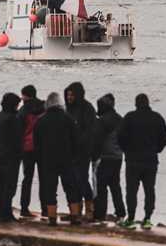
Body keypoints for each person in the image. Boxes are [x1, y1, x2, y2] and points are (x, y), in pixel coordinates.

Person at [117, 93, 166, 230]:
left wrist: (126, 150)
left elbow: (120, 136)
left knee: (131, 190)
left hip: (133, 160)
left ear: (136, 104)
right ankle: (147, 218)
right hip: (151, 160)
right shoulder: (157, 118)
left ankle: (131, 218)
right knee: (149, 190)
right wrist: (157, 149)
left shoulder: (129, 117)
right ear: (148, 103)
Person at [33, 92, 81, 225]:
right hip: (66, 159)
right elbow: (76, 140)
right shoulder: (68, 119)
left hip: (48, 160)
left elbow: (36, 143)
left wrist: (40, 158)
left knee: (50, 189)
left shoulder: (41, 121)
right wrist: (74, 156)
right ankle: (75, 216)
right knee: (71, 187)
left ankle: (52, 218)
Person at [64, 82, 97, 219]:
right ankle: (76, 210)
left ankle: (89, 209)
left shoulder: (87, 108)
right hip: (69, 151)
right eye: (67, 95)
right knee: (72, 182)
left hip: (83, 151)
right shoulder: (68, 109)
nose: (69, 97)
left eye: (71, 95)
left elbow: (90, 131)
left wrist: (80, 143)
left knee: (82, 179)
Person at [92, 93, 126, 223]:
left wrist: (94, 156)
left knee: (101, 186)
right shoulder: (120, 119)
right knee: (115, 185)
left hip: (105, 157)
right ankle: (121, 212)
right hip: (118, 157)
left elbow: (97, 140)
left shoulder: (102, 121)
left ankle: (100, 214)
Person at [0, 92, 22, 223]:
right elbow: (17, 139)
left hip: (0, 154)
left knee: (0, 184)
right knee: (9, 186)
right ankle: (6, 213)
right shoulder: (13, 119)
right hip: (12, 157)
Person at [17, 85, 45, 218]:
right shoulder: (44, 108)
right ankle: (46, 208)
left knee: (27, 179)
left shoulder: (23, 111)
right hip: (42, 147)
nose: (21, 98)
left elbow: (19, 131)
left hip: (27, 148)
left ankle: (24, 208)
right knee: (45, 179)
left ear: (26, 96)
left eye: (22, 96)